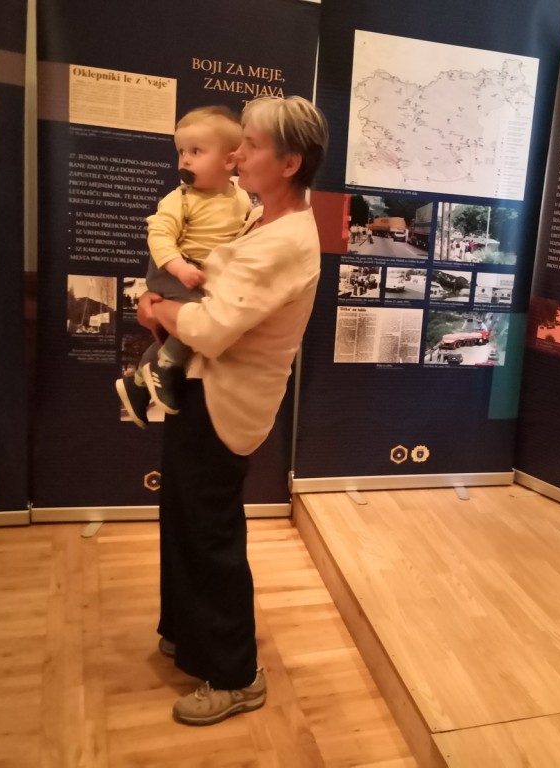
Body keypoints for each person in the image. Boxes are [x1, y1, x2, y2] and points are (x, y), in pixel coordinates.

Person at [136, 95, 328, 726]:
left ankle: (235, 674)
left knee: (210, 532)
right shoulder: (262, 219)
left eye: (251, 144)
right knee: (184, 517)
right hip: (202, 389)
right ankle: (188, 635)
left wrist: (156, 307)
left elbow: (213, 329)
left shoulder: (286, 240)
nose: (236, 153)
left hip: (224, 403)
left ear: (290, 162)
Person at [117, 106, 252, 425]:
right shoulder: (180, 199)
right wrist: (178, 267)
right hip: (174, 270)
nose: (185, 160)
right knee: (197, 316)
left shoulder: (241, 198)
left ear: (229, 161)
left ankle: (138, 385)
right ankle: (165, 366)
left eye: (196, 151)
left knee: (196, 317)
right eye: (181, 152)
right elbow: (159, 234)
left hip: (203, 273)